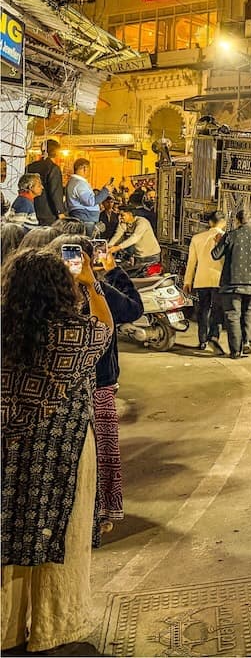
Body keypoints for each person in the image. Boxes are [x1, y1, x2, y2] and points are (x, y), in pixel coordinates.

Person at [1, 247, 114, 652]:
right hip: (64, 454)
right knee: (64, 541)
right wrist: (90, 283)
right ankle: (55, 626)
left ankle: (5, 629)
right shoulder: (75, 335)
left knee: (6, 542)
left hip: (6, 453)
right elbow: (105, 327)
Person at [51, 235, 142, 542]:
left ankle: (87, 518)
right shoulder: (88, 293)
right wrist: (102, 279)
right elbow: (110, 325)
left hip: (77, 391)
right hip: (90, 388)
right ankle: (93, 518)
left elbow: (130, 312)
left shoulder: (50, 296)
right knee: (94, 457)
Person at [211, 208, 251, 358]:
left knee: (233, 316)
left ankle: (235, 350)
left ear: (236, 221)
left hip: (232, 283)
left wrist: (217, 242)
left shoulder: (230, 236)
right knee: (249, 312)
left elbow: (215, 255)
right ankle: (247, 342)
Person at [185, 209, 227, 354]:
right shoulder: (225, 237)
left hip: (201, 279)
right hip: (218, 279)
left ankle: (202, 340)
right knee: (217, 311)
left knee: (203, 311)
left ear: (209, 222)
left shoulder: (197, 238)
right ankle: (213, 337)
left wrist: (187, 282)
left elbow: (191, 262)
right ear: (223, 222)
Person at [108, 206, 161, 275]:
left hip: (152, 256)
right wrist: (109, 246)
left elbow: (134, 238)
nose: (120, 217)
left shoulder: (142, 222)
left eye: (122, 215)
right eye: (119, 215)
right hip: (139, 257)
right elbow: (118, 235)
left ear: (130, 214)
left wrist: (118, 247)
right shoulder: (123, 223)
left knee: (146, 279)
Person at [26, 139, 66, 225]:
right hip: (48, 213)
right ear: (56, 152)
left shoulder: (30, 167)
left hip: (31, 209)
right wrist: (60, 212)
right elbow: (55, 192)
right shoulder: (53, 168)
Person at [64, 159, 110, 229]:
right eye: (89, 169)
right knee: (85, 239)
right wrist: (106, 191)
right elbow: (90, 201)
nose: (89, 172)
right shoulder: (80, 183)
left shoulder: (73, 182)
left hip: (82, 218)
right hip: (85, 219)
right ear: (85, 168)